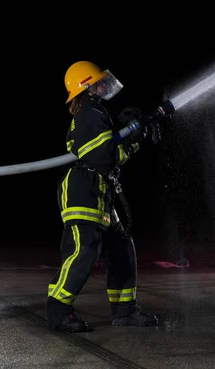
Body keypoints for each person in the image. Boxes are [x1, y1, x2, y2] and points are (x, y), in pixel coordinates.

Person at [46, 61, 158, 332]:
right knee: (84, 250)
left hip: (98, 189)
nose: (103, 85)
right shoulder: (89, 112)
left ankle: (125, 310)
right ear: (86, 86)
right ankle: (58, 309)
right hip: (82, 189)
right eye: (98, 81)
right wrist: (134, 140)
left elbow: (107, 148)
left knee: (121, 247)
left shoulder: (96, 113)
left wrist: (129, 129)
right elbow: (104, 156)